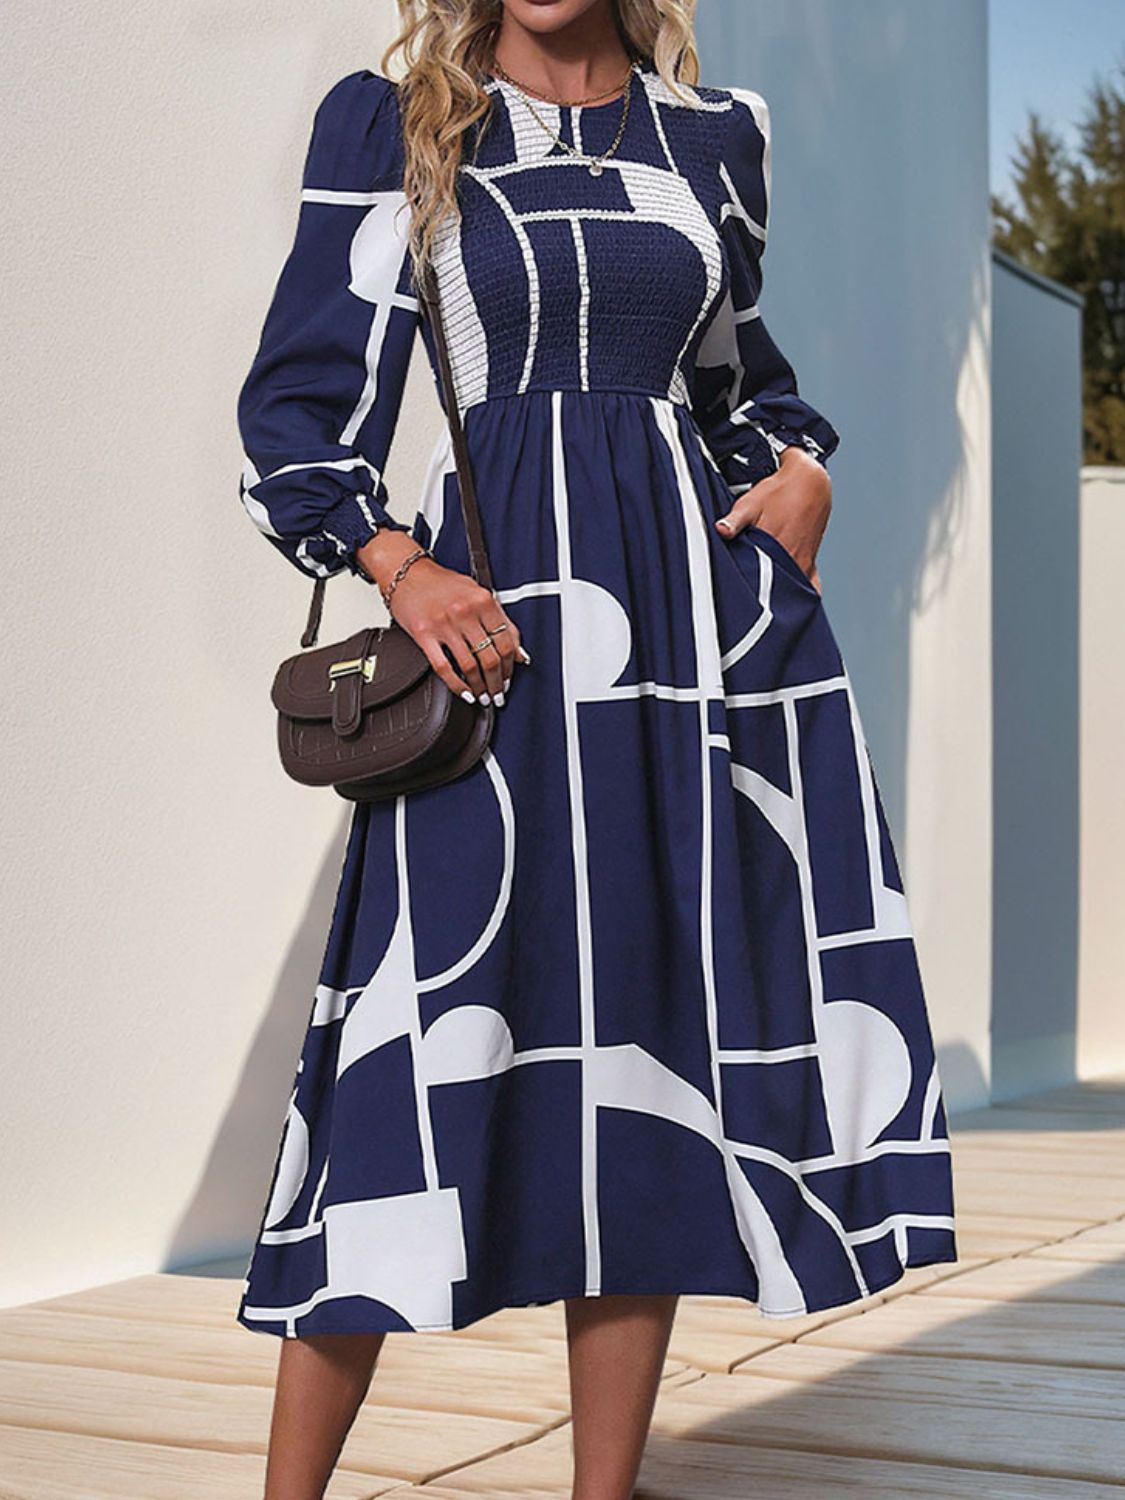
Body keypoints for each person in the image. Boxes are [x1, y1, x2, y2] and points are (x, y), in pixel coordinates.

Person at [234, 1, 959, 1495]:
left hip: (682, 644)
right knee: (400, 1058)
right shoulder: (399, 123)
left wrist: (803, 470)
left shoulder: (714, 138)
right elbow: (298, 413)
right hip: (490, 638)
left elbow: (736, 380)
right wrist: (401, 568)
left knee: (648, 1052)